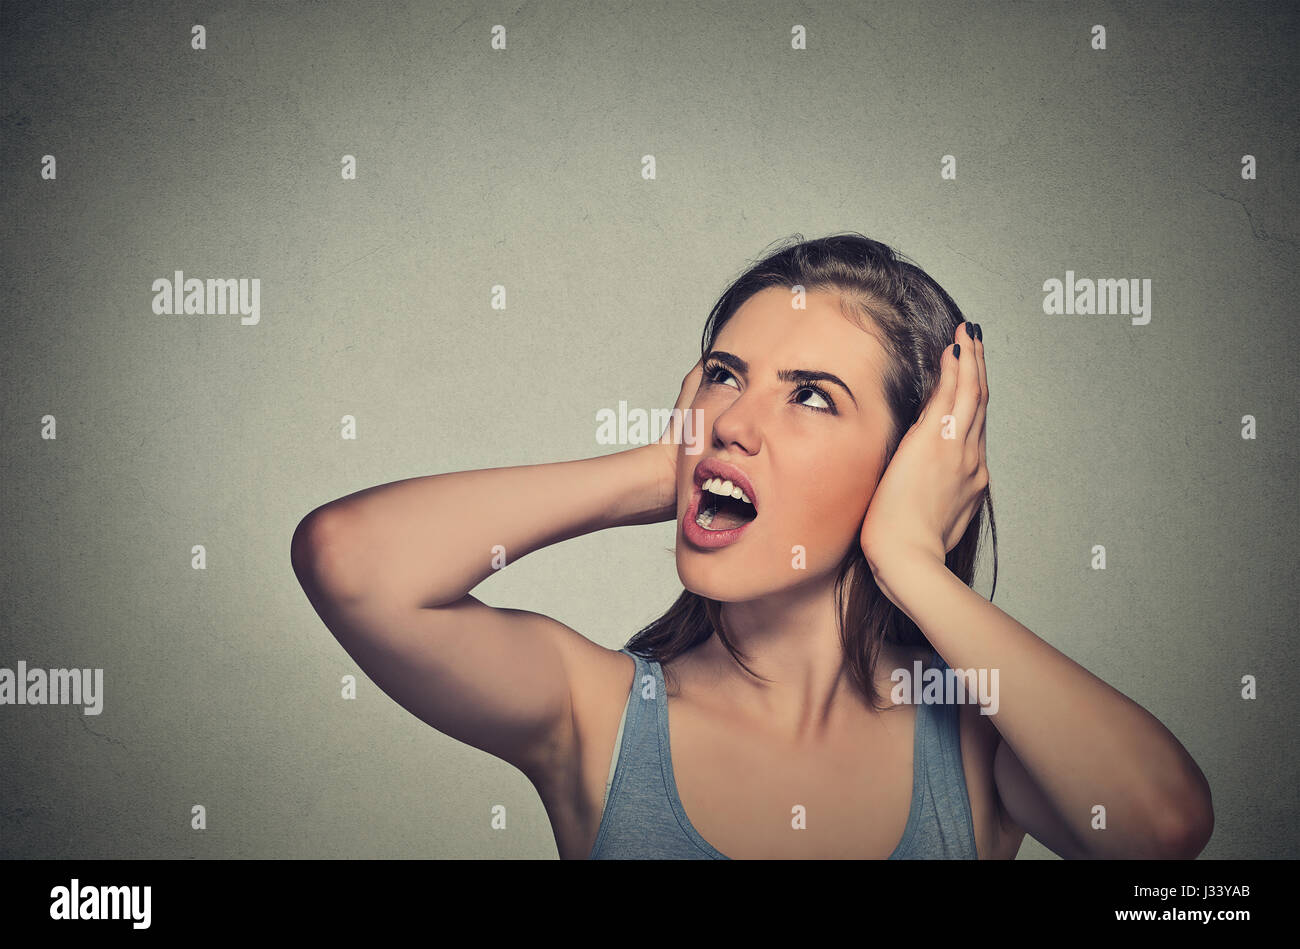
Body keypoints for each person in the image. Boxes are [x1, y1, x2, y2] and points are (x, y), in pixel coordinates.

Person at [290, 233, 1214, 859]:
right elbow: (351, 559)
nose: (734, 416)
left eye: (810, 393)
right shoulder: (598, 713)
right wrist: (670, 464)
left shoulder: (976, 738)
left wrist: (914, 563)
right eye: (725, 377)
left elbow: (1163, 827)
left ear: (906, 466)